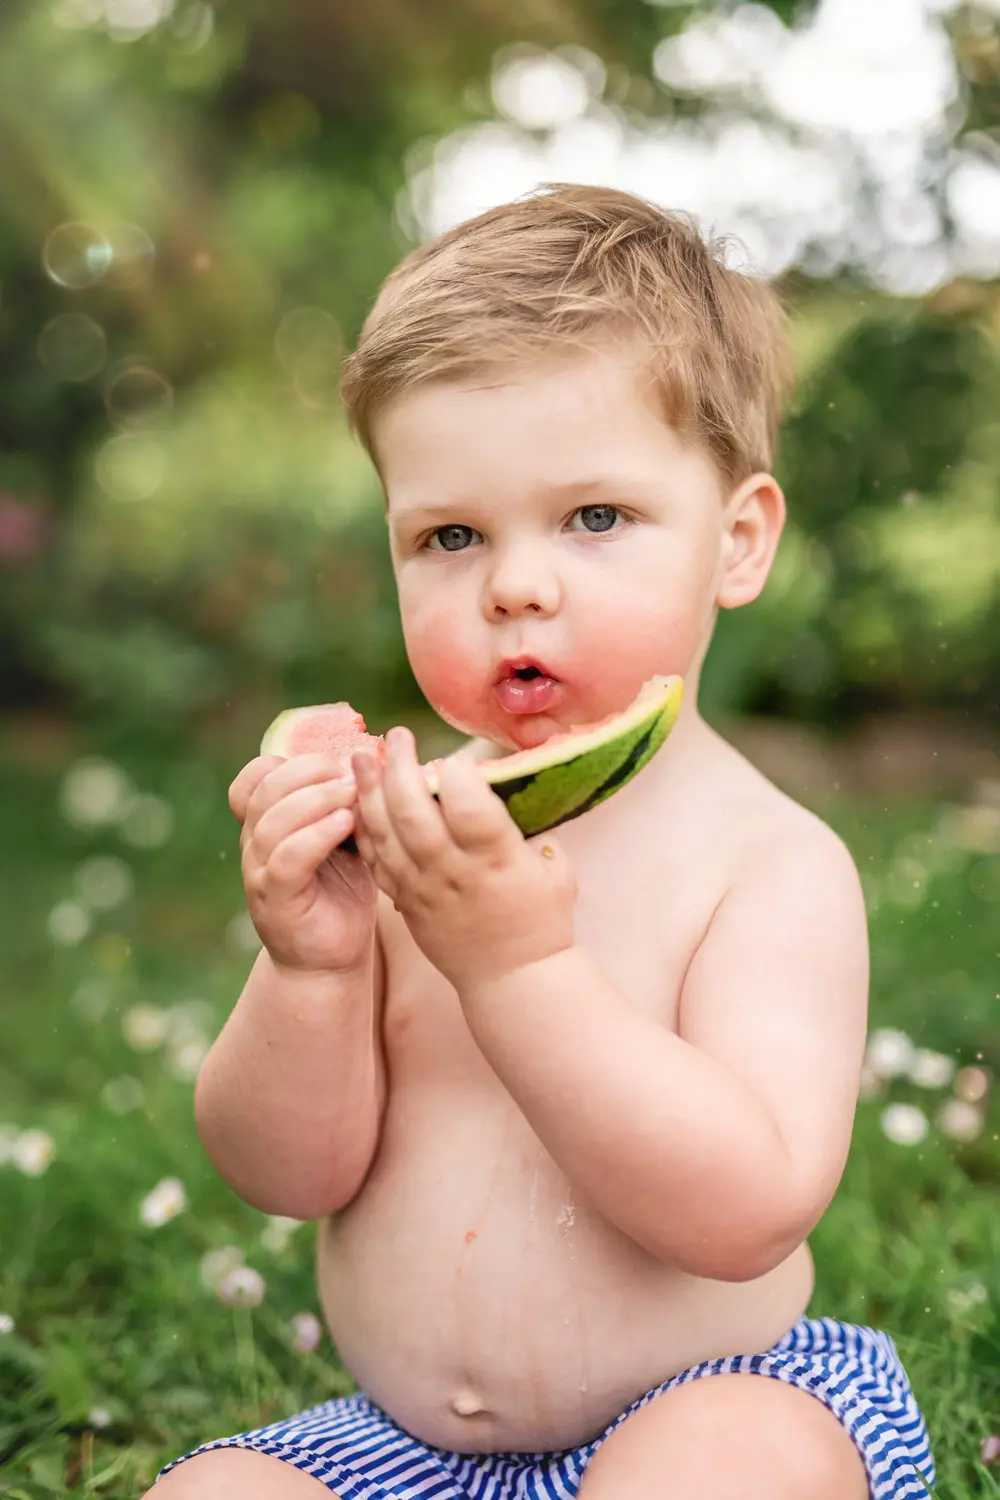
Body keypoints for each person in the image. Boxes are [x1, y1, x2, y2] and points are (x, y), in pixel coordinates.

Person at [150, 184, 934, 1499]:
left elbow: (745, 1212)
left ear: (736, 542)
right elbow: (284, 1174)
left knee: (727, 1468)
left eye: (595, 518)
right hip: (401, 1449)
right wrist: (312, 969)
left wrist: (517, 972)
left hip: (716, 1403)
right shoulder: (413, 830)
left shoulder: (770, 864)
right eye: (451, 535)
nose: (516, 582)